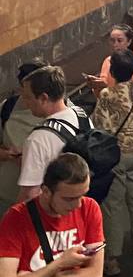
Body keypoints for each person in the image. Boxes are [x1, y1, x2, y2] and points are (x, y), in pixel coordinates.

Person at [92, 48, 133, 276]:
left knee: (113, 205)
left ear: (112, 71)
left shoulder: (106, 95)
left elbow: (100, 127)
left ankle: (112, 258)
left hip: (116, 155)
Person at [16, 67, 85, 203]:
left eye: (28, 97)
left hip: (57, 210)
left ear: (43, 98)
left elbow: (30, 195)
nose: (25, 103)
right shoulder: (80, 115)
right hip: (85, 203)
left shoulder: (37, 139)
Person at [0, 64, 43, 214]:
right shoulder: (8, 107)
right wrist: (5, 154)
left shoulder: (63, 112)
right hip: (7, 195)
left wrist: (33, 158)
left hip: (42, 200)